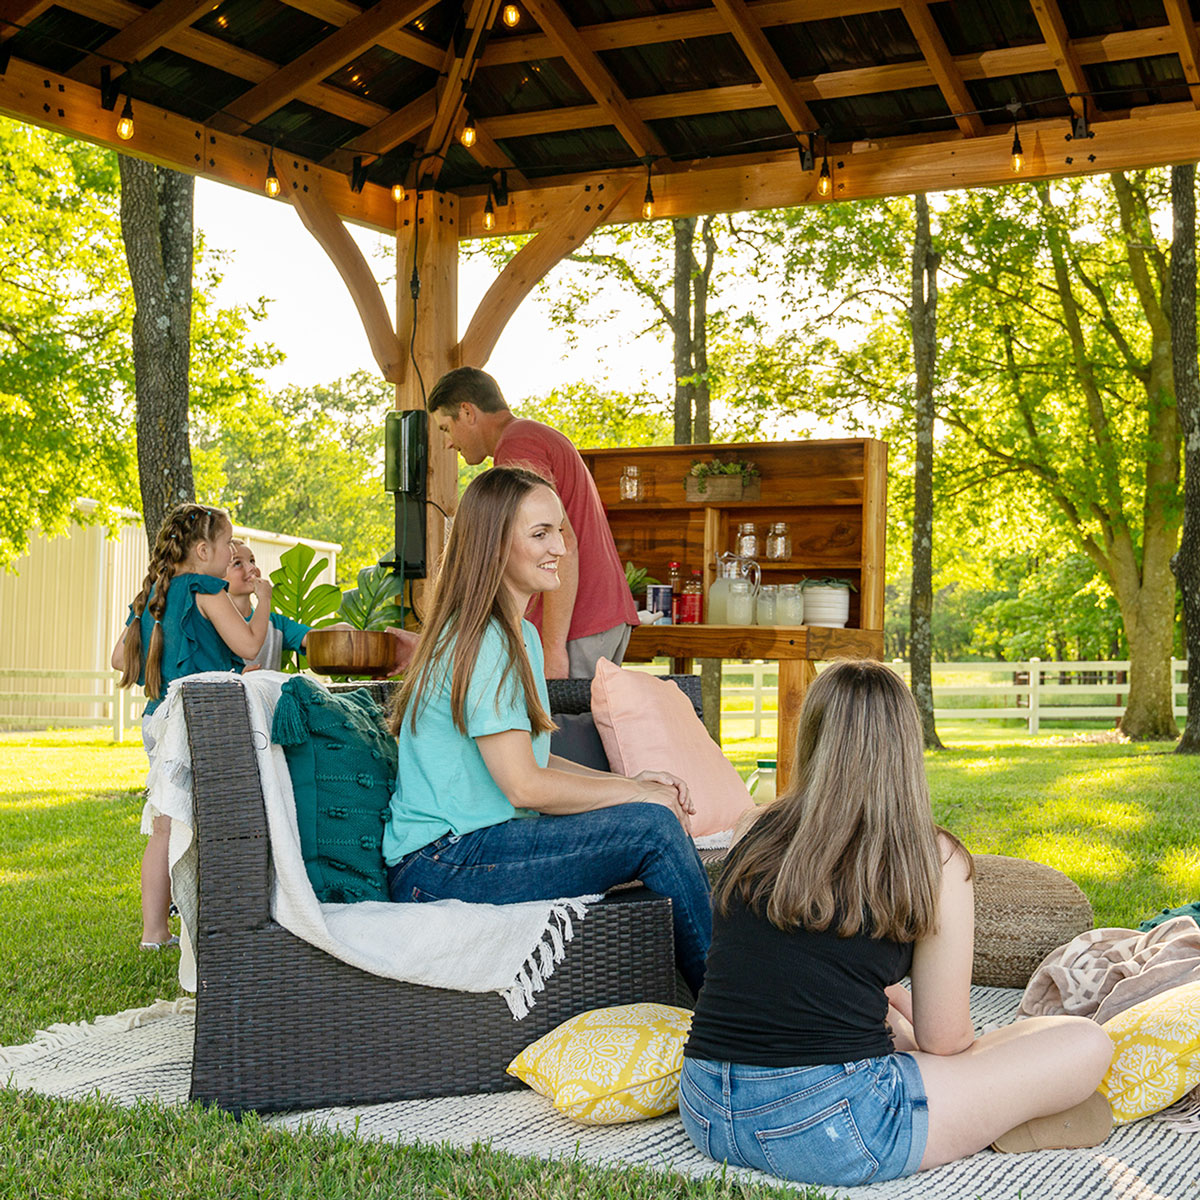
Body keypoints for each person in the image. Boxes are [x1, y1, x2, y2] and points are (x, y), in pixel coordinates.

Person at [680, 659, 1114, 1187]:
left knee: (941, 1035)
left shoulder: (757, 827)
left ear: (812, 738)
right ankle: (998, 1115)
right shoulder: (932, 859)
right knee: (1085, 1043)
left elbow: (794, 977)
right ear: (905, 747)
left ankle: (987, 1105)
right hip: (830, 1126)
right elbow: (947, 1043)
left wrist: (898, 1019)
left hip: (705, 1109)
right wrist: (917, 1032)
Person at [384, 465, 712, 995]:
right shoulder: (484, 641)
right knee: (652, 829)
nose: (559, 546)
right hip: (441, 863)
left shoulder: (522, 636)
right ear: (494, 547)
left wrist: (636, 784)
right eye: (539, 534)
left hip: (475, 846)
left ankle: (729, 1002)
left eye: (558, 530)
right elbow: (525, 786)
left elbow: (531, 762)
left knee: (650, 816)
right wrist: (637, 796)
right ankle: (737, 1021)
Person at [111, 504, 272, 950]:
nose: (229, 556)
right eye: (227, 546)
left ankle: (154, 932)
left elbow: (120, 660)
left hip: (157, 720)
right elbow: (249, 644)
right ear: (203, 550)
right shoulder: (206, 588)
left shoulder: (152, 595)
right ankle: (217, 922)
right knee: (216, 823)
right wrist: (266, 602)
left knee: (165, 827)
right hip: (199, 722)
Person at [427, 367, 637, 680]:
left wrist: (552, 649)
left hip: (579, 626)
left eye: (445, 428)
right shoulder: (530, 436)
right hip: (596, 619)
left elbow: (560, 543)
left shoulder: (518, 447)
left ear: (467, 412)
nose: (448, 443)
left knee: (564, 729)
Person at [225, 540, 310, 671]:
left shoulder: (276, 624)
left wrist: (339, 630)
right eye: (237, 563)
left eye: (252, 561)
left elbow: (313, 638)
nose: (251, 568)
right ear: (218, 575)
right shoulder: (215, 625)